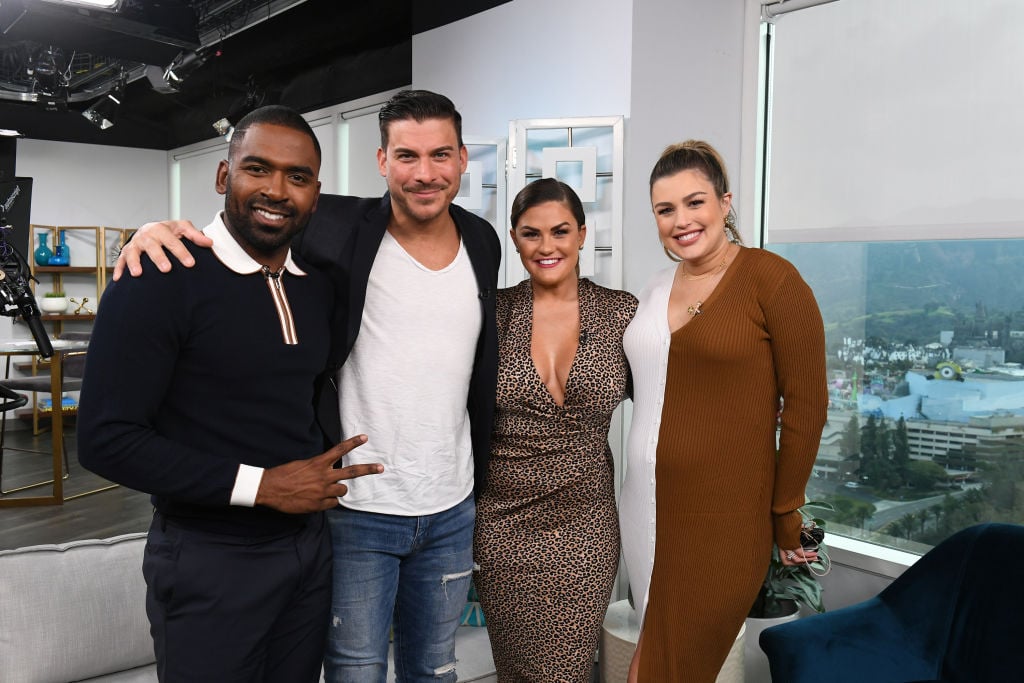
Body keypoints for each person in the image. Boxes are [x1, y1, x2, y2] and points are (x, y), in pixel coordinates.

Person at [113, 90, 502, 683]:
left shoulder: (482, 241)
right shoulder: (335, 227)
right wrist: (150, 230)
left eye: (440, 155)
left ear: (463, 157)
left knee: (436, 669)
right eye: (407, 156)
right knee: (354, 671)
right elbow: (253, 215)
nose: (425, 173)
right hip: (354, 509)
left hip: (451, 505)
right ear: (380, 161)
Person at [77, 105, 384, 681]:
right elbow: (103, 441)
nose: (276, 190)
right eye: (257, 169)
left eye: (298, 177)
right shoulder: (159, 275)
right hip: (208, 554)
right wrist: (263, 485)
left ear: (317, 195)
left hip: (310, 551)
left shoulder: (317, 287)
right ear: (224, 177)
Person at [619, 140, 828, 682]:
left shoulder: (771, 280)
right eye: (665, 210)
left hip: (722, 517)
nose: (681, 221)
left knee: (673, 669)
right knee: (650, 661)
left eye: (695, 203)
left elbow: (807, 408)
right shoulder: (654, 288)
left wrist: (786, 514)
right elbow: (652, 388)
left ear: (725, 202)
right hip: (644, 506)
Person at [473, 178, 637, 682]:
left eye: (560, 231)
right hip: (503, 527)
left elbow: (672, 400)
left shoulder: (623, 313)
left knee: (562, 672)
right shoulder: (491, 313)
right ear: (514, 238)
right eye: (531, 234)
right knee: (517, 672)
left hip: (585, 524)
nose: (547, 247)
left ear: (583, 234)